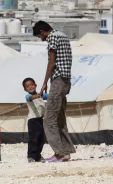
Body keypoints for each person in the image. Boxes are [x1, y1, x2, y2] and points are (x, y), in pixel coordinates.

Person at [32, 21, 76, 163]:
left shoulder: (52, 38)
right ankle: (66, 151)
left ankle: (59, 152)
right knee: (60, 118)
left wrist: (45, 82)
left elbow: (52, 62)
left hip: (58, 80)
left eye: (40, 35)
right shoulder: (63, 35)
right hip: (66, 80)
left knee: (49, 118)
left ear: (43, 32)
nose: (41, 38)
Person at [22, 77, 48, 163]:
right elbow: (32, 98)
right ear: (25, 89)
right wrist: (40, 93)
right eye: (27, 86)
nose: (30, 87)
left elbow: (48, 96)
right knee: (33, 139)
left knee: (41, 138)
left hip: (41, 119)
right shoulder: (28, 96)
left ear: (35, 85)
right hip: (32, 120)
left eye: (32, 85)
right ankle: (31, 156)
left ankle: (38, 155)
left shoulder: (41, 95)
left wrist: (45, 91)